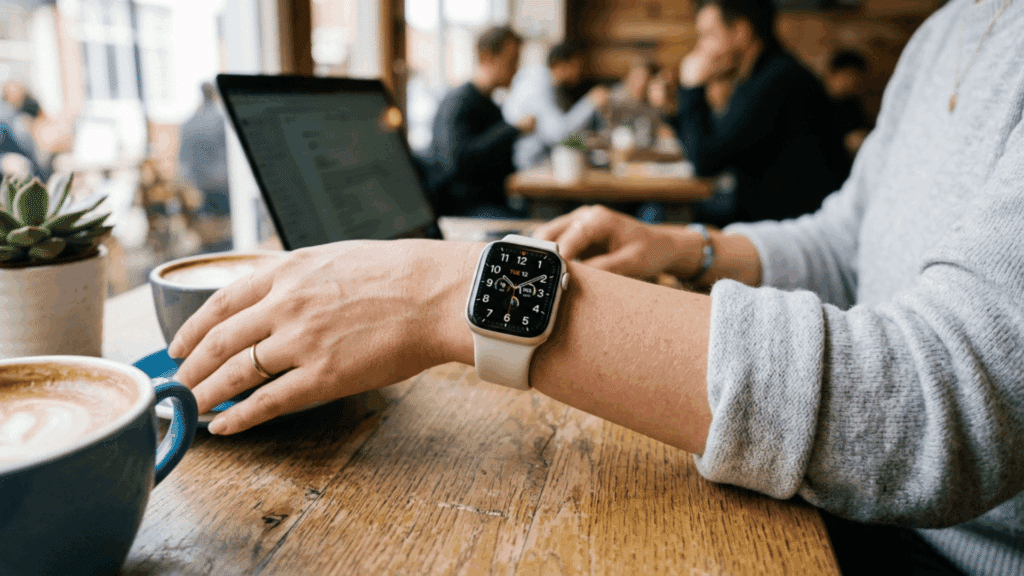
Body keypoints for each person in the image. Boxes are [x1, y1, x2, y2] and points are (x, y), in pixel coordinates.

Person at [167, 0, 1021, 573]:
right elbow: (849, 239)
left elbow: (941, 396)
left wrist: (447, 292)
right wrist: (690, 247)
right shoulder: (948, 28)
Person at [668, 0, 850, 226]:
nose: (701, 49)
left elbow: (705, 161)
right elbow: (711, 145)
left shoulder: (776, 81)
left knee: (662, 215)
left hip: (790, 233)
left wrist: (692, 89)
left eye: (707, 36)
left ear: (740, 32)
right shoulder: (762, 76)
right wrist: (673, 112)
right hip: (769, 218)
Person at [423, 26, 535, 219]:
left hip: (491, 203)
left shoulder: (490, 105)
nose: (516, 69)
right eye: (512, 61)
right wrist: (513, 130)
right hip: (464, 210)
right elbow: (457, 162)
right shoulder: (458, 103)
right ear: (486, 57)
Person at [502, 41, 610, 170]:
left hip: (540, 163)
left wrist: (588, 141)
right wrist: (591, 101)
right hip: (528, 167)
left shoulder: (552, 87)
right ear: (560, 64)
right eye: (576, 65)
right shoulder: (537, 86)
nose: (580, 71)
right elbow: (559, 134)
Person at [178, 82, 232, 251]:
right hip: (222, 184)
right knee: (225, 231)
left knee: (208, 228)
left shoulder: (188, 123)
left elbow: (183, 160)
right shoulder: (222, 121)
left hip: (199, 185)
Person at [826, 49, 874, 157]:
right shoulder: (817, 103)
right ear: (834, 74)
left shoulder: (851, 105)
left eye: (857, 84)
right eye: (848, 80)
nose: (853, 87)